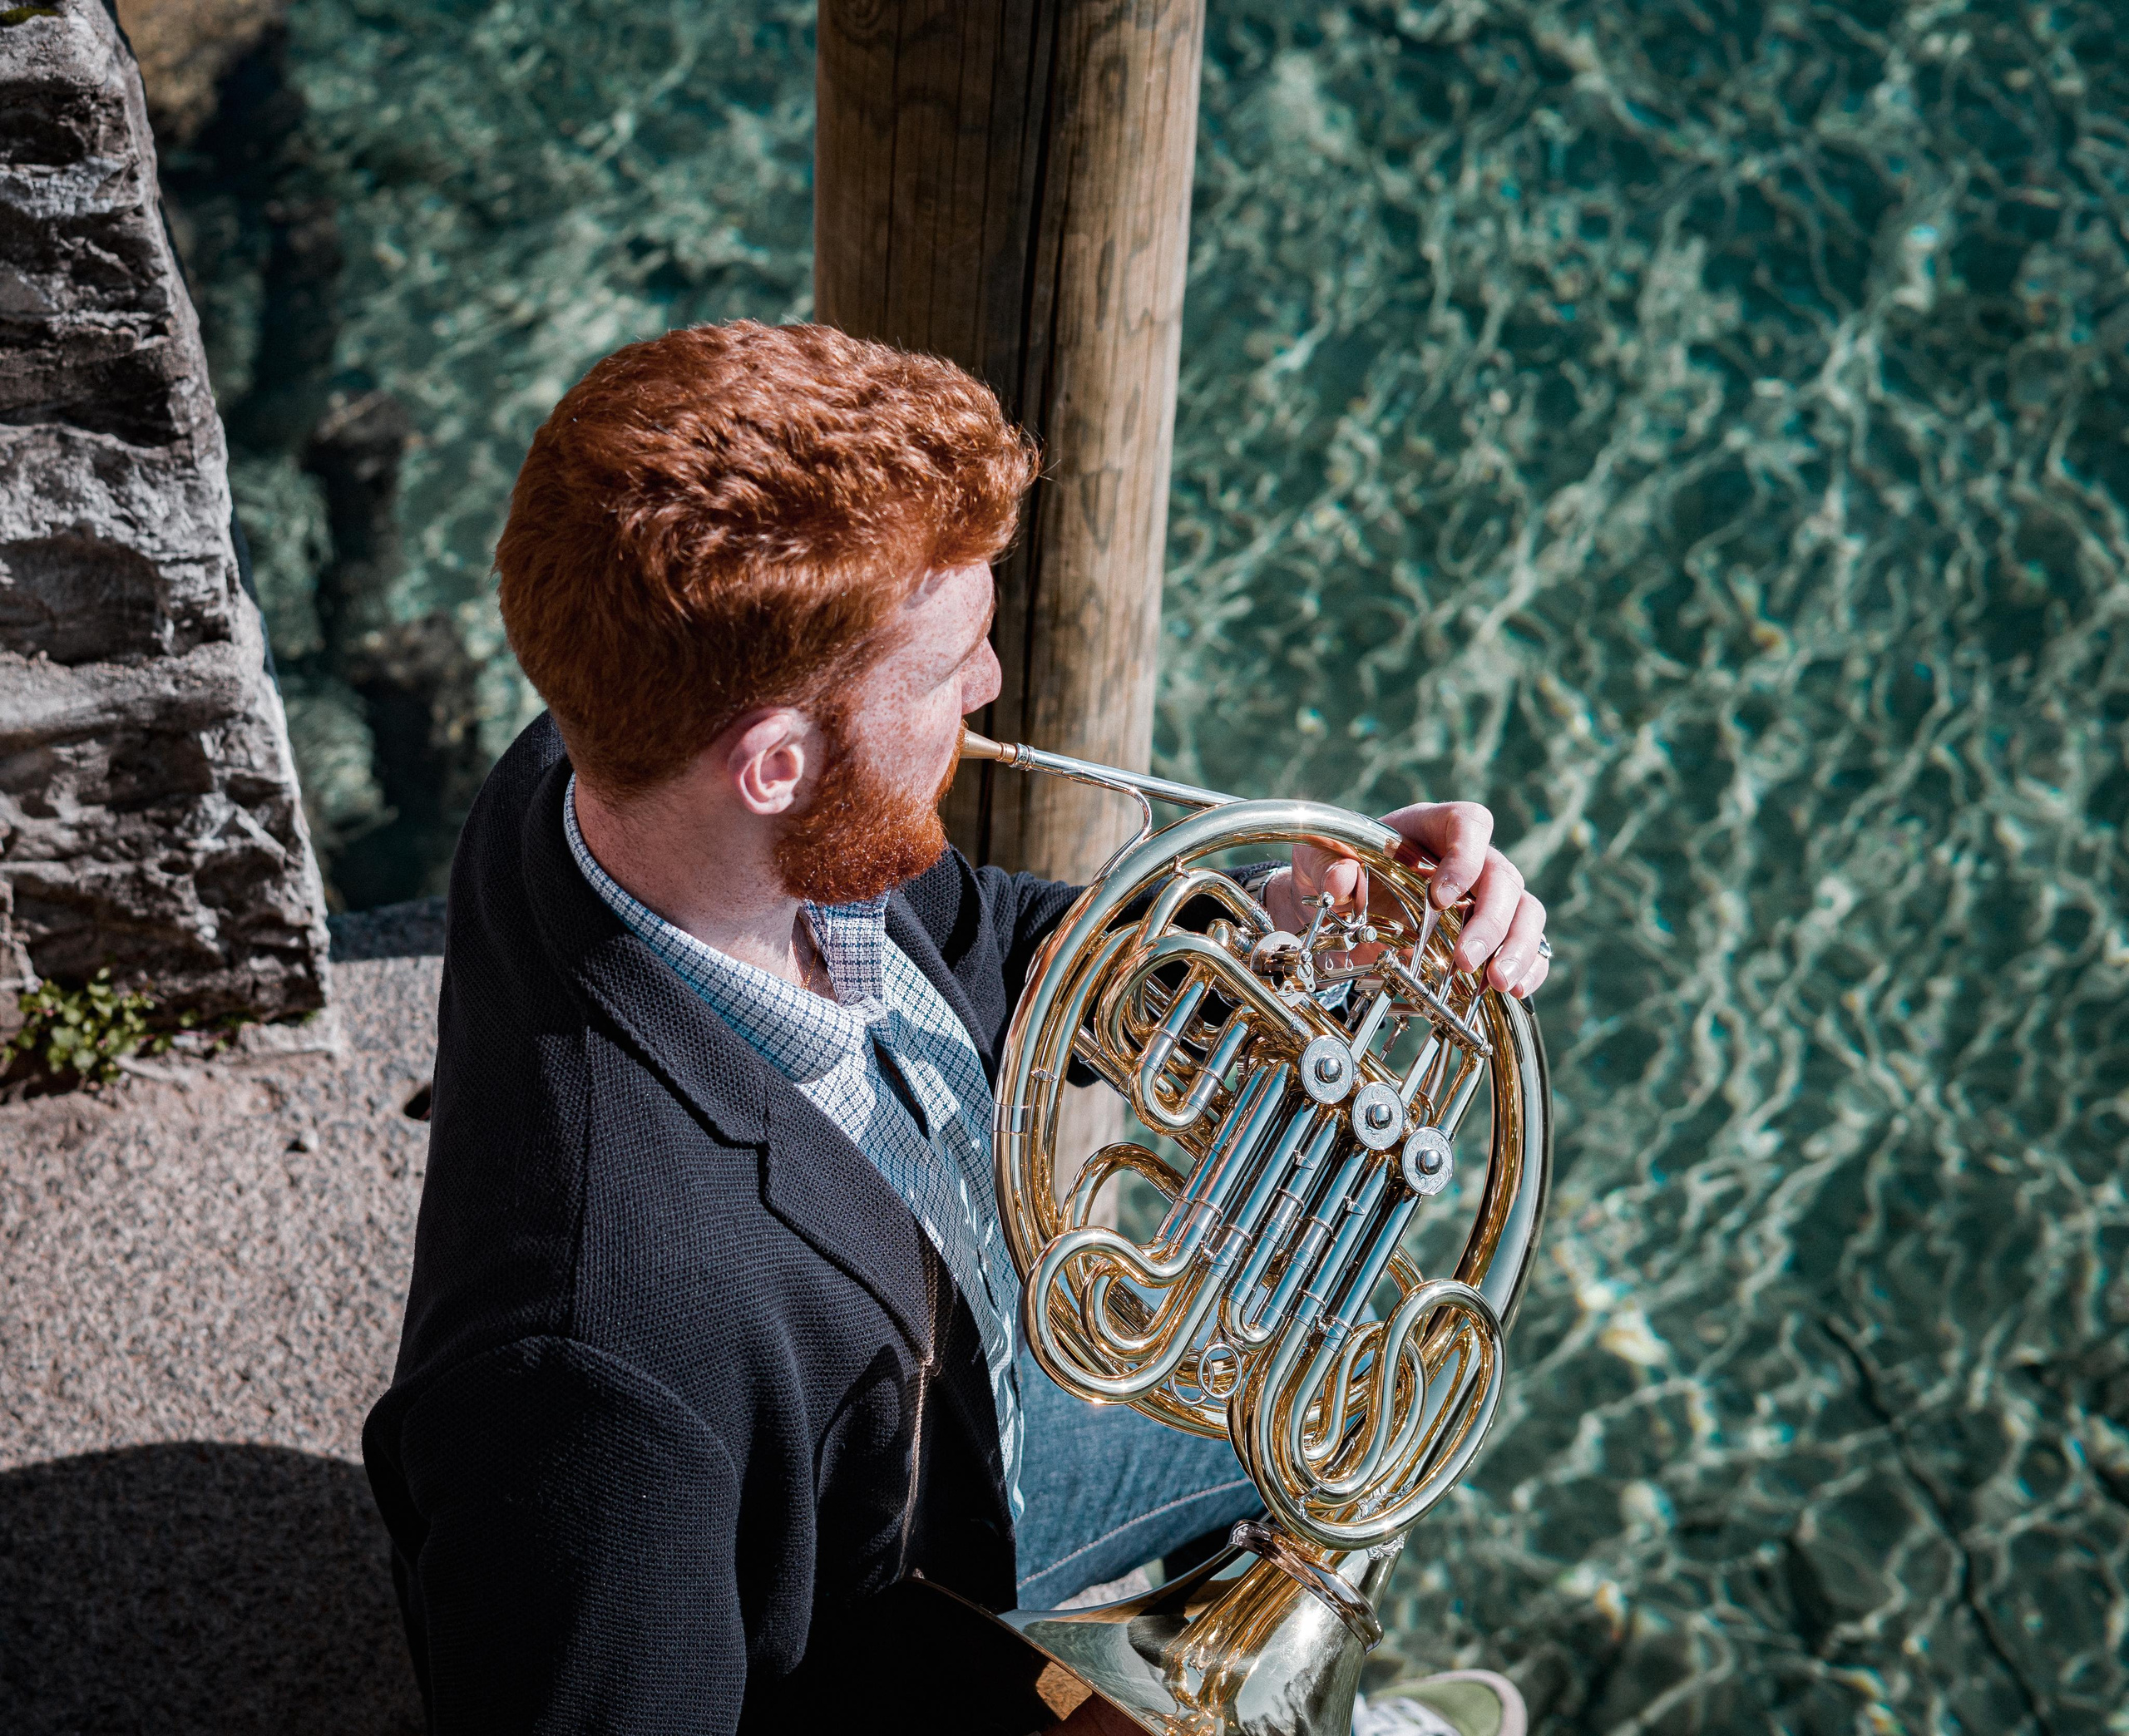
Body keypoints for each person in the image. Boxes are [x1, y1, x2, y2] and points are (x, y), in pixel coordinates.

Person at [361, 321, 1549, 1734]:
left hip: (963, 1368)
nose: (989, 693)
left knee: (1353, 1335)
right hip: (911, 1558)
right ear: (776, 762)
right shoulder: (596, 1378)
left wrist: (1294, 936)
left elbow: (985, 943)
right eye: (952, 667)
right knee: (1359, 1407)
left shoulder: (626, 766)